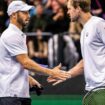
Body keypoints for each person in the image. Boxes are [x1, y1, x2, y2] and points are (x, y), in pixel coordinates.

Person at [0, 1, 70, 105]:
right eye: (24, 12)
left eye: (28, 12)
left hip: (18, 95)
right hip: (12, 96)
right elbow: (25, 63)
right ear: (13, 14)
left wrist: (28, 78)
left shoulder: (17, 34)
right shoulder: (11, 35)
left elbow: (13, 64)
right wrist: (52, 72)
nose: (28, 15)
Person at [48, 0, 105, 104]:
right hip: (92, 91)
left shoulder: (98, 24)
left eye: (69, 8)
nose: (67, 12)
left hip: (102, 90)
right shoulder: (84, 30)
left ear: (78, 8)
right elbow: (86, 61)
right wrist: (66, 74)